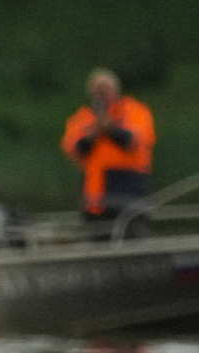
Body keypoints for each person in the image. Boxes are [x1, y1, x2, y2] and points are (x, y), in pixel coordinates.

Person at [61, 69, 155, 238]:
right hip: (95, 197)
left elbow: (134, 141)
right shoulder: (82, 118)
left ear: (116, 89)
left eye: (106, 89)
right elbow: (74, 149)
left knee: (132, 237)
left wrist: (109, 126)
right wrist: (95, 131)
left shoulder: (134, 111)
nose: (101, 93)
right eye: (98, 89)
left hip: (129, 191)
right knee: (99, 239)